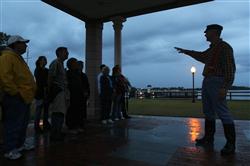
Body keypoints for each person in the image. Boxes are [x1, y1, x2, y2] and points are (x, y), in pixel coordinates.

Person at [175, 24, 236, 156]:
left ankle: (230, 144)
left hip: (217, 81)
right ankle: (209, 139)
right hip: (208, 80)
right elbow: (202, 56)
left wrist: (225, 87)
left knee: (223, 112)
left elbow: (230, 69)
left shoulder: (225, 47)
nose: (204, 34)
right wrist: (186, 51)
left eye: (206, 32)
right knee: (208, 111)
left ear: (214, 32)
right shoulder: (212, 49)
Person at [0, 35, 36, 160]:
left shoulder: (17, 58)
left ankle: (18, 145)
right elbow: (5, 78)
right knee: (13, 124)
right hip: (15, 97)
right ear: (15, 44)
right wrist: (15, 93)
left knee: (22, 123)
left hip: (23, 97)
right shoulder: (7, 57)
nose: (26, 45)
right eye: (23, 43)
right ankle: (9, 149)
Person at [48, 47, 69, 141]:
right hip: (58, 91)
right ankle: (55, 134)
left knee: (60, 112)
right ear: (59, 53)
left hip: (61, 91)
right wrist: (50, 92)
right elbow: (50, 78)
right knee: (57, 112)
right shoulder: (56, 63)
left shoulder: (60, 63)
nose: (67, 53)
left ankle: (57, 132)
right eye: (66, 52)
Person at [65, 58, 87, 134]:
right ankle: (71, 127)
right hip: (72, 96)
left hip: (79, 96)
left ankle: (77, 126)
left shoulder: (77, 73)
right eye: (75, 63)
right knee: (72, 111)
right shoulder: (68, 73)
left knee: (78, 111)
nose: (77, 64)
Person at [34, 56, 50, 133]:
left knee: (46, 110)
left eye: (45, 60)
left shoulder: (46, 70)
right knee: (39, 110)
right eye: (43, 60)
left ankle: (45, 124)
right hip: (40, 93)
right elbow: (40, 81)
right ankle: (36, 126)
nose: (45, 61)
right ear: (39, 61)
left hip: (46, 93)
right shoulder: (37, 70)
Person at [77, 60, 90, 128]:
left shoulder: (84, 75)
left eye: (82, 66)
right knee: (78, 110)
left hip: (84, 96)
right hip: (77, 96)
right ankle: (78, 124)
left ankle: (82, 123)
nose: (81, 67)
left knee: (83, 110)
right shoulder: (75, 75)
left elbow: (87, 85)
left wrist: (87, 93)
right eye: (80, 65)